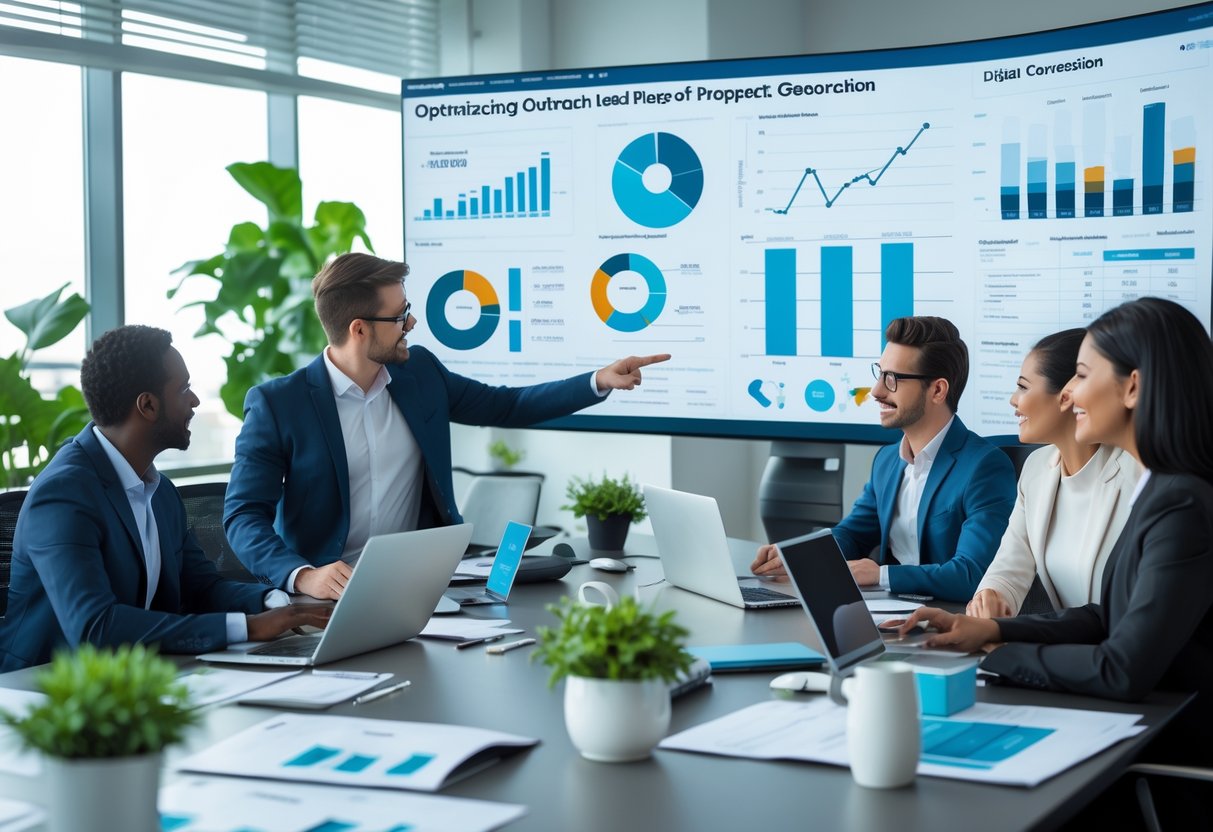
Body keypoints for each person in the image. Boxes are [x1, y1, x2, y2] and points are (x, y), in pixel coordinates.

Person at [225, 252, 669, 599]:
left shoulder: (420, 373)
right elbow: (244, 516)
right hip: (326, 599)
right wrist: (303, 577)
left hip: (422, 588)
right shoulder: (278, 404)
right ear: (358, 330)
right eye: (400, 316)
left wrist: (597, 381)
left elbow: (506, 405)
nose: (412, 323)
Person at [897, 297, 1213, 764]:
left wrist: (996, 652)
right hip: (1128, 721)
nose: (1072, 395)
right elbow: (1108, 617)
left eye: (1083, 376)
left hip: (1165, 747)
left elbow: (1121, 668)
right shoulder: (1160, 489)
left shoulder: (1181, 503)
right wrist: (993, 628)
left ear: (1133, 388)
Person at [0, 326, 330, 672]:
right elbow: (94, 627)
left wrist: (275, 602)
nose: (195, 401)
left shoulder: (160, 492)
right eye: (184, 388)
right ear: (148, 405)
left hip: (137, 677)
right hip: (44, 690)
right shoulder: (64, 495)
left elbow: (201, 589)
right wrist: (247, 628)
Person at [750, 316, 1015, 601]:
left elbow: (973, 575)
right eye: (880, 373)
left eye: (893, 379)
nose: (876, 391)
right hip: (890, 613)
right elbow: (852, 534)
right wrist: (802, 553)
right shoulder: (887, 460)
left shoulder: (984, 467)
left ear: (937, 390)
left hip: (948, 620)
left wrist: (880, 575)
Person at [967, 329, 1139, 617]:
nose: (1013, 399)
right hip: (1069, 645)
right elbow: (1009, 567)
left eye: (1023, 387)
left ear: (1067, 396)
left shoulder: (1136, 473)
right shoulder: (1036, 468)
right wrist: (989, 599)